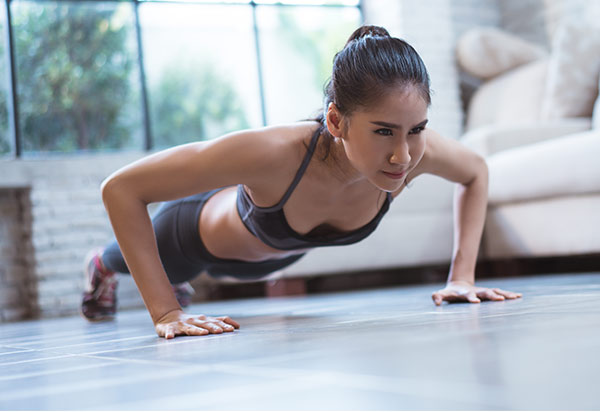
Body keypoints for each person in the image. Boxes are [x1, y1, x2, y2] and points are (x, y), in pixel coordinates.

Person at [81, 25, 522, 339]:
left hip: (271, 256)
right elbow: (120, 189)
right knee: (133, 262)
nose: (403, 155)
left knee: (186, 276)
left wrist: (461, 277)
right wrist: (165, 311)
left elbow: (475, 171)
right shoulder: (276, 152)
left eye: (417, 129)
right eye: (384, 131)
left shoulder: (411, 152)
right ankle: (99, 266)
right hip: (190, 238)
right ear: (337, 120)